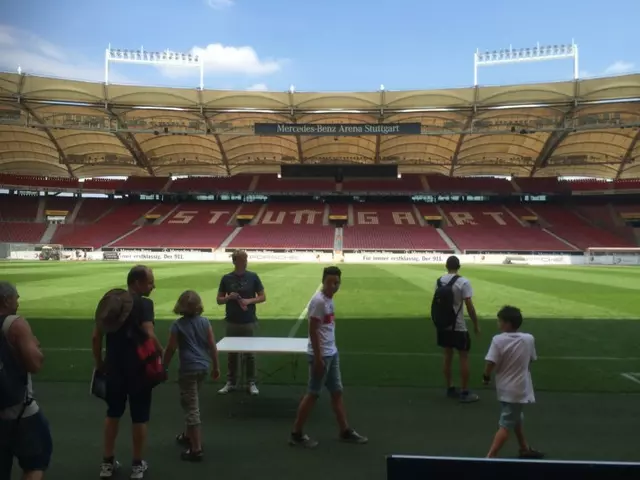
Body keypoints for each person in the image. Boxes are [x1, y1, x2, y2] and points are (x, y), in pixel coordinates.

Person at [92, 265, 162, 479]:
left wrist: (100, 362)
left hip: (114, 367)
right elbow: (149, 335)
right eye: (150, 282)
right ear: (137, 283)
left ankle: (107, 462)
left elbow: (96, 337)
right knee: (139, 417)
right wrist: (161, 354)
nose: (153, 286)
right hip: (140, 369)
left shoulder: (111, 302)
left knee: (113, 413)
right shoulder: (144, 304)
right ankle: (137, 465)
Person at [289, 266, 367, 448]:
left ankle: (344, 430)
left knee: (337, 392)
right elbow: (313, 331)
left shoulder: (329, 300)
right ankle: (296, 433)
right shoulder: (319, 302)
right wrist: (317, 358)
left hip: (332, 353)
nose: (334, 286)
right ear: (323, 281)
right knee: (313, 394)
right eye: (330, 282)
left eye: (337, 282)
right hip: (321, 356)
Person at [0, 282, 52, 480]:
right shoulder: (15, 323)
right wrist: (36, 347)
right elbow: (35, 364)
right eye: (16, 298)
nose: (18, 302)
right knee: (35, 463)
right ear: (6, 300)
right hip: (19, 411)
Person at [163, 290, 220, 462]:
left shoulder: (177, 325)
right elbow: (212, 345)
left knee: (191, 407)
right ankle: (188, 435)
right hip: (202, 367)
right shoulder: (205, 322)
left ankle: (196, 448)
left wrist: (163, 367)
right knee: (190, 401)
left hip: (188, 369)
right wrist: (216, 366)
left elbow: (171, 349)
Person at [483, 305, 544, 459]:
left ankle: (489, 458)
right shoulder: (529, 339)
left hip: (504, 388)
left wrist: (486, 376)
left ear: (508, 323)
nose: (498, 324)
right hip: (520, 389)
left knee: (506, 423)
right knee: (513, 417)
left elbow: (490, 362)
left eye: (500, 321)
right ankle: (523, 448)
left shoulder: (497, 340)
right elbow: (531, 360)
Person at [216, 250, 266, 396]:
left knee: (249, 354)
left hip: (248, 320)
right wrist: (228, 298)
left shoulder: (253, 277)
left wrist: (249, 301)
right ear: (235, 261)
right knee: (232, 353)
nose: (245, 261)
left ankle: (251, 382)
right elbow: (219, 300)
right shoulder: (226, 278)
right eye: (242, 259)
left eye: (246, 259)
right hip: (232, 320)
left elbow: (262, 296)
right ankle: (231, 382)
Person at [435, 255, 480, 403]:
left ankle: (450, 388)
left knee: (447, 356)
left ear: (446, 266)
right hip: (459, 326)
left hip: (444, 325)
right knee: (463, 357)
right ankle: (465, 391)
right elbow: (469, 306)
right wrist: (475, 324)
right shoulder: (463, 282)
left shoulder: (439, 281)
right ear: (459, 266)